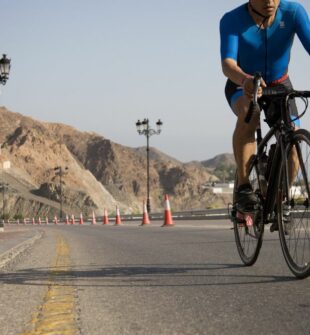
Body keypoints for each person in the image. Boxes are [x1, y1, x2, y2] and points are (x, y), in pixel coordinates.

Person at [220, 0, 310, 212]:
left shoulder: (293, 12)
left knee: (293, 137)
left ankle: (282, 198)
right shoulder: (232, 20)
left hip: (280, 85)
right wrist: (245, 80)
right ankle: (243, 187)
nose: (269, 2)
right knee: (248, 113)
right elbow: (228, 64)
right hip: (243, 84)